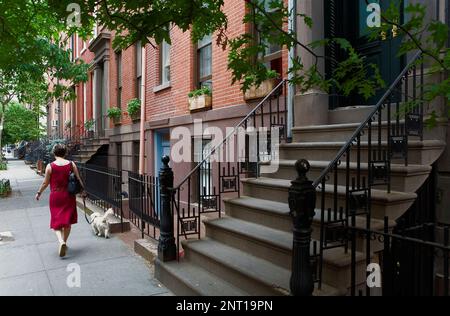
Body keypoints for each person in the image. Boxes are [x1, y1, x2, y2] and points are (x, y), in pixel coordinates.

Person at [35, 144, 86, 257]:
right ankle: (64, 241)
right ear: (65, 153)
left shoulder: (50, 166)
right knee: (67, 221)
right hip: (68, 196)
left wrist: (39, 192)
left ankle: (60, 241)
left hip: (56, 196)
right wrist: (83, 191)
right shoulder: (71, 164)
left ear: (54, 153)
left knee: (56, 221)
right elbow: (78, 179)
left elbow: (45, 183)